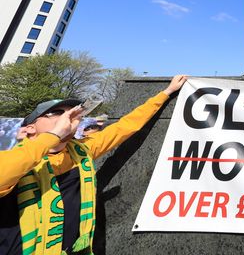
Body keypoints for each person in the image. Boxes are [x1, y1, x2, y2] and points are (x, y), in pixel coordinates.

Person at [0, 75, 187, 255]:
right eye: (56, 113)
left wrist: (167, 92)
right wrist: (53, 136)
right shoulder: (15, 159)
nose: (67, 118)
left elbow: (126, 125)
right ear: (29, 129)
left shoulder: (82, 151)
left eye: (71, 114)